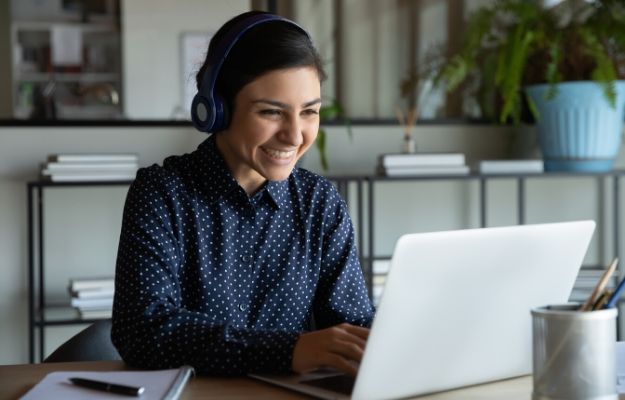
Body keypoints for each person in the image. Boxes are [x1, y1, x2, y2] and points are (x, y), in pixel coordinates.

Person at [111, 10, 375, 376]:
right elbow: (143, 332)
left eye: (310, 112)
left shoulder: (320, 203)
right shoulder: (162, 194)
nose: (295, 135)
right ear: (216, 109)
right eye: (272, 112)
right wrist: (288, 351)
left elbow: (355, 323)